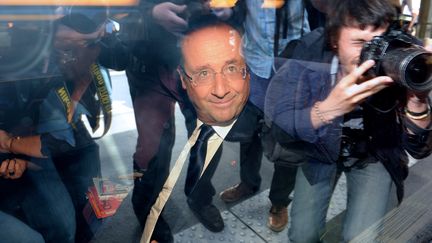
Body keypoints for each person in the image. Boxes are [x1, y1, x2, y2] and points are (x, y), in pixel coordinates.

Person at [264, 0, 432, 241]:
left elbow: (420, 148)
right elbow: (279, 128)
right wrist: (325, 110)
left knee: (362, 237)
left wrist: (417, 98)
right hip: (319, 152)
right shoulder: (306, 51)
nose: (374, 56)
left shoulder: (401, 54)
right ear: (334, 40)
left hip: (374, 153)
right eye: (360, 43)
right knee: (302, 234)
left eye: (381, 41)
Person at [140, 15, 250, 242]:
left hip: (203, 51)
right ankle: (150, 208)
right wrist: (150, 11)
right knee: (154, 146)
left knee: (209, 137)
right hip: (152, 64)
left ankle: (198, 197)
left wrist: (221, 11)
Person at [219, 0, 309, 232]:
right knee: (249, 133)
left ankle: (279, 202)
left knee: (287, 141)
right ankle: (248, 183)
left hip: (293, 67)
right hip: (254, 65)